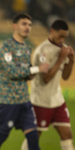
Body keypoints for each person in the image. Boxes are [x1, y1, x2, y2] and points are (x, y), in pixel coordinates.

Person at [0, 13, 49, 150]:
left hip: (24, 100)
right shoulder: (6, 47)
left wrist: (33, 72)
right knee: (1, 136)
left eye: (30, 25)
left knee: (33, 137)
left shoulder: (27, 49)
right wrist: (36, 69)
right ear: (15, 26)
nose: (28, 27)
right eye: (24, 24)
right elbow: (12, 71)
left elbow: (25, 72)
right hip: (9, 100)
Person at [21, 19, 74, 150]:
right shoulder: (42, 51)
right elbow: (46, 78)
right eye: (60, 36)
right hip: (41, 101)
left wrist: (71, 60)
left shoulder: (62, 49)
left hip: (57, 100)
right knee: (34, 136)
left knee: (67, 135)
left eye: (65, 37)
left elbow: (65, 77)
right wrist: (61, 58)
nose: (62, 39)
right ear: (52, 31)